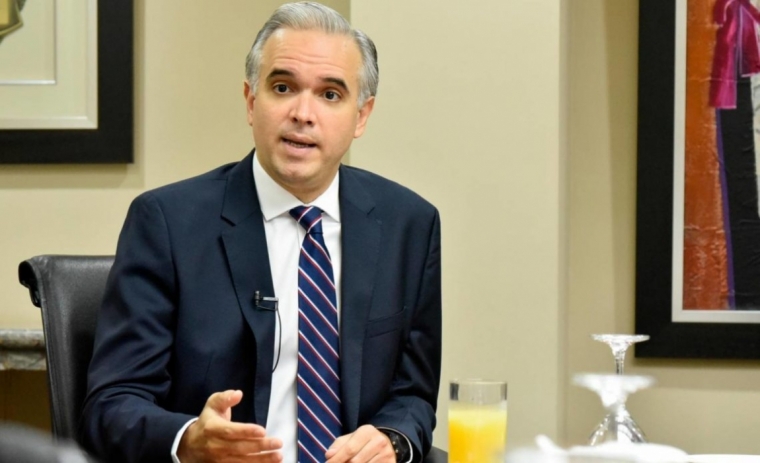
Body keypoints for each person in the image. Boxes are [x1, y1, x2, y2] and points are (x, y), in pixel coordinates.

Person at [79, 3, 441, 463]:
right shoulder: (167, 223)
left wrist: (392, 439)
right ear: (251, 101)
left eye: (330, 94)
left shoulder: (408, 225)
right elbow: (111, 405)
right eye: (283, 87)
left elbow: (413, 395)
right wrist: (190, 439)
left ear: (362, 115)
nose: (303, 113)